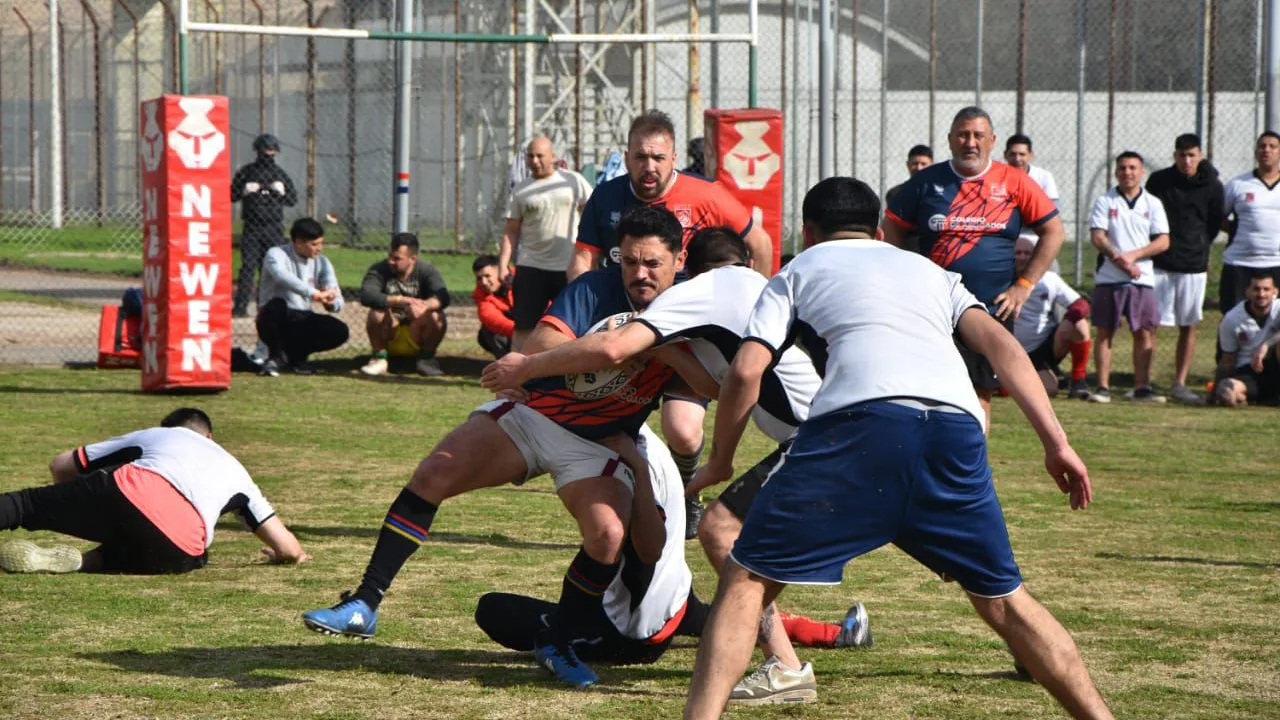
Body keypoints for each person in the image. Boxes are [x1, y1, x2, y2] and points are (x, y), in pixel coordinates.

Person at [684, 177, 1109, 720]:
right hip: (956, 428)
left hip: (860, 426)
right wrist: (1057, 442)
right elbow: (1002, 345)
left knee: (745, 578)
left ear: (808, 233)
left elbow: (746, 369)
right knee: (1003, 600)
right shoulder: (932, 271)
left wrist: (721, 459)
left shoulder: (797, 270)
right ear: (880, 230)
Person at [301, 206, 717, 689]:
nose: (639, 274)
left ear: (679, 257)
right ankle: (364, 603)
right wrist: (545, 361)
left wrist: (660, 345)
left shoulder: (691, 309)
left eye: (653, 264)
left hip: (598, 443)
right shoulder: (596, 289)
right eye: (630, 262)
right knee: (435, 472)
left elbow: (711, 383)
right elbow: (541, 342)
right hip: (534, 416)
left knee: (606, 535)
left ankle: (560, 641)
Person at [482, 226, 873, 703]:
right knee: (729, 593)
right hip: (680, 598)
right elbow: (719, 387)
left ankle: (785, 669)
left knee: (720, 540)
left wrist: (523, 367)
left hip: (640, 627)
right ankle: (830, 636)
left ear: (685, 267)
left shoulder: (694, 305)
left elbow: (614, 350)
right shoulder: (769, 289)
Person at [570, 109, 775, 532]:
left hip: (683, 341)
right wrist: (582, 314)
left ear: (674, 157)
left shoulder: (705, 195)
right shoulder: (605, 199)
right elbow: (582, 259)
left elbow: (760, 240)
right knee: (591, 423)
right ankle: (607, 501)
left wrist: (764, 306)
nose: (650, 167)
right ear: (626, 157)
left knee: (682, 432)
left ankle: (686, 493)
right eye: (641, 157)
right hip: (623, 336)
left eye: (659, 158)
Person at [883, 106, 1066, 429]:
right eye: (963, 135)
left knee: (979, 393)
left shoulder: (1014, 181)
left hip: (991, 308)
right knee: (926, 390)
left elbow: (1054, 232)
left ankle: (971, 467)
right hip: (934, 307)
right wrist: (903, 279)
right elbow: (892, 227)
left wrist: (1023, 285)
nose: (970, 142)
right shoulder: (927, 182)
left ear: (992, 140)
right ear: (950, 140)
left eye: (978, 135)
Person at [0, 408, 307, 575]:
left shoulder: (160, 435)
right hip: (179, 547)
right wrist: (287, 557)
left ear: (167, 426)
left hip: (126, 491)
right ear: (210, 436)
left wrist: (72, 506)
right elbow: (289, 549)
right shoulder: (240, 474)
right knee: (182, 553)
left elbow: (62, 466)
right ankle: (83, 563)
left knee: (23, 504)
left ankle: (80, 549)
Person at [1146, 133, 1224, 405]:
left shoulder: (1213, 184)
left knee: (1188, 325)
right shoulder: (1158, 182)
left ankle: (1179, 383)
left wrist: (1199, 245)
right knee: (1150, 324)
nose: (1187, 160)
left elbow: (1214, 222)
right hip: (1161, 264)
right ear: (1174, 156)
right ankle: (1145, 382)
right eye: (1182, 155)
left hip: (1194, 265)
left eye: (1192, 155)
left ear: (1200, 155)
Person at [1087, 152, 1171, 403]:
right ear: (1116, 172)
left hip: (1142, 279)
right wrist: (1121, 261)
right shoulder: (1105, 201)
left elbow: (1163, 240)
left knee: (1145, 332)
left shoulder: (1153, 203)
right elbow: (1098, 237)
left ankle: (1142, 387)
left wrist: (1134, 256)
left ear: (1141, 171)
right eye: (1122, 168)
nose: (1128, 172)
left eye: (1133, 168)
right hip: (1109, 279)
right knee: (1105, 331)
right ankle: (1102, 387)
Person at [499, 137, 594, 351]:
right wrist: (503, 263)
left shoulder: (573, 181)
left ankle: (570, 373)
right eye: (530, 156)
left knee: (572, 324)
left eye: (540, 155)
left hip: (568, 267)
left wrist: (588, 253)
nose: (535, 160)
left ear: (553, 156)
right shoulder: (521, 190)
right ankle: (517, 377)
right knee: (524, 327)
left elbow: (593, 213)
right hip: (531, 266)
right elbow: (511, 231)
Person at [255, 217, 349, 376]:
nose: (319, 248)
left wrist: (331, 303)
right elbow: (282, 277)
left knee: (339, 330)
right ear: (298, 242)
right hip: (274, 318)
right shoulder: (276, 254)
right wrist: (314, 293)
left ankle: (297, 357)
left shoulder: (322, 262)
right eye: (314, 244)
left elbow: (336, 295)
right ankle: (275, 356)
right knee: (276, 305)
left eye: (321, 243)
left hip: (301, 317)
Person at [357, 232, 450, 377]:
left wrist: (424, 306)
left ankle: (426, 360)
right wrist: (400, 300)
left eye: (397, 259)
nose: (390, 261)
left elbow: (443, 296)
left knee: (437, 316)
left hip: (416, 332)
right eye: (390, 256)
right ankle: (379, 360)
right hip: (389, 331)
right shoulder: (379, 269)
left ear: (412, 259)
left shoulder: (426, 270)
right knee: (376, 313)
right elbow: (366, 295)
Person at [1011, 237, 1092, 399]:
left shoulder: (1049, 279)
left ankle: (1078, 381)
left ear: (1035, 256)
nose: (1022, 257)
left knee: (1079, 325)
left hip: (1042, 349)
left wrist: (1071, 317)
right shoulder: (998, 279)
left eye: (1027, 253)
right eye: (1017, 253)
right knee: (1046, 389)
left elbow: (1081, 305)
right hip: (1009, 349)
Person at [231, 134, 297, 318]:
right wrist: (244, 190)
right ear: (258, 150)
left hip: (273, 227)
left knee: (273, 266)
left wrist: (281, 193)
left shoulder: (280, 174)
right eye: (266, 149)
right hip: (252, 226)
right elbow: (231, 195)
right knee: (248, 266)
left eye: (272, 149)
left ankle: (271, 306)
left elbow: (292, 200)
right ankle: (240, 306)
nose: (269, 153)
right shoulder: (246, 172)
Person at [1220, 132, 1280, 312]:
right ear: (1255, 151)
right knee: (1233, 318)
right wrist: (1237, 231)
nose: (1266, 150)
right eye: (1262, 146)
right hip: (1240, 262)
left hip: (1277, 262)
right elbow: (1219, 217)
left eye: (1272, 146)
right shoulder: (1237, 184)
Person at [1212, 272, 1280, 407]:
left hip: (1275, 365)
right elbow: (1228, 361)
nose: (1261, 294)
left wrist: (1266, 345)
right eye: (1256, 289)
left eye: (1266, 289)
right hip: (1248, 371)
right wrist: (1215, 390)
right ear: (1247, 292)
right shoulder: (1231, 319)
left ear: (1275, 292)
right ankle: (1253, 397)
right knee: (1227, 392)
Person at [1004, 134, 1062, 271]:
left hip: (1036, 236)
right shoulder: (997, 176)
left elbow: (1054, 214)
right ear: (1005, 155)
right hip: (1007, 238)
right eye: (1013, 154)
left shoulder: (1043, 177)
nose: (1017, 159)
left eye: (1022, 154)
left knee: (1052, 270)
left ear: (1030, 155)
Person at [883, 144, 933, 253]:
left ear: (932, 165)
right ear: (908, 164)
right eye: (915, 163)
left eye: (923, 164)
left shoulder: (939, 193)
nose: (919, 168)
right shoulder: (896, 193)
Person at [472, 255, 514, 358]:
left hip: (537, 325)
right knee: (488, 331)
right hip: (517, 330)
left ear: (500, 271)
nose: (484, 282)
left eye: (487, 276)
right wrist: (522, 331)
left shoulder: (523, 279)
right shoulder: (480, 295)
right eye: (479, 278)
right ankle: (508, 364)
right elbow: (492, 320)